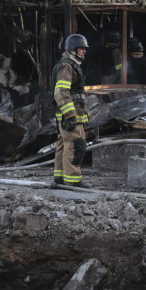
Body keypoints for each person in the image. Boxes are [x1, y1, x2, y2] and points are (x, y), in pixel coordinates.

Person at [53, 34, 91, 188]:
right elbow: (61, 91)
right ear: (73, 49)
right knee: (76, 145)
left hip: (73, 113)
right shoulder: (67, 66)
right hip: (70, 114)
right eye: (82, 48)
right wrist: (70, 115)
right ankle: (72, 181)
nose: (84, 51)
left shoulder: (70, 65)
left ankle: (60, 177)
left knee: (64, 144)